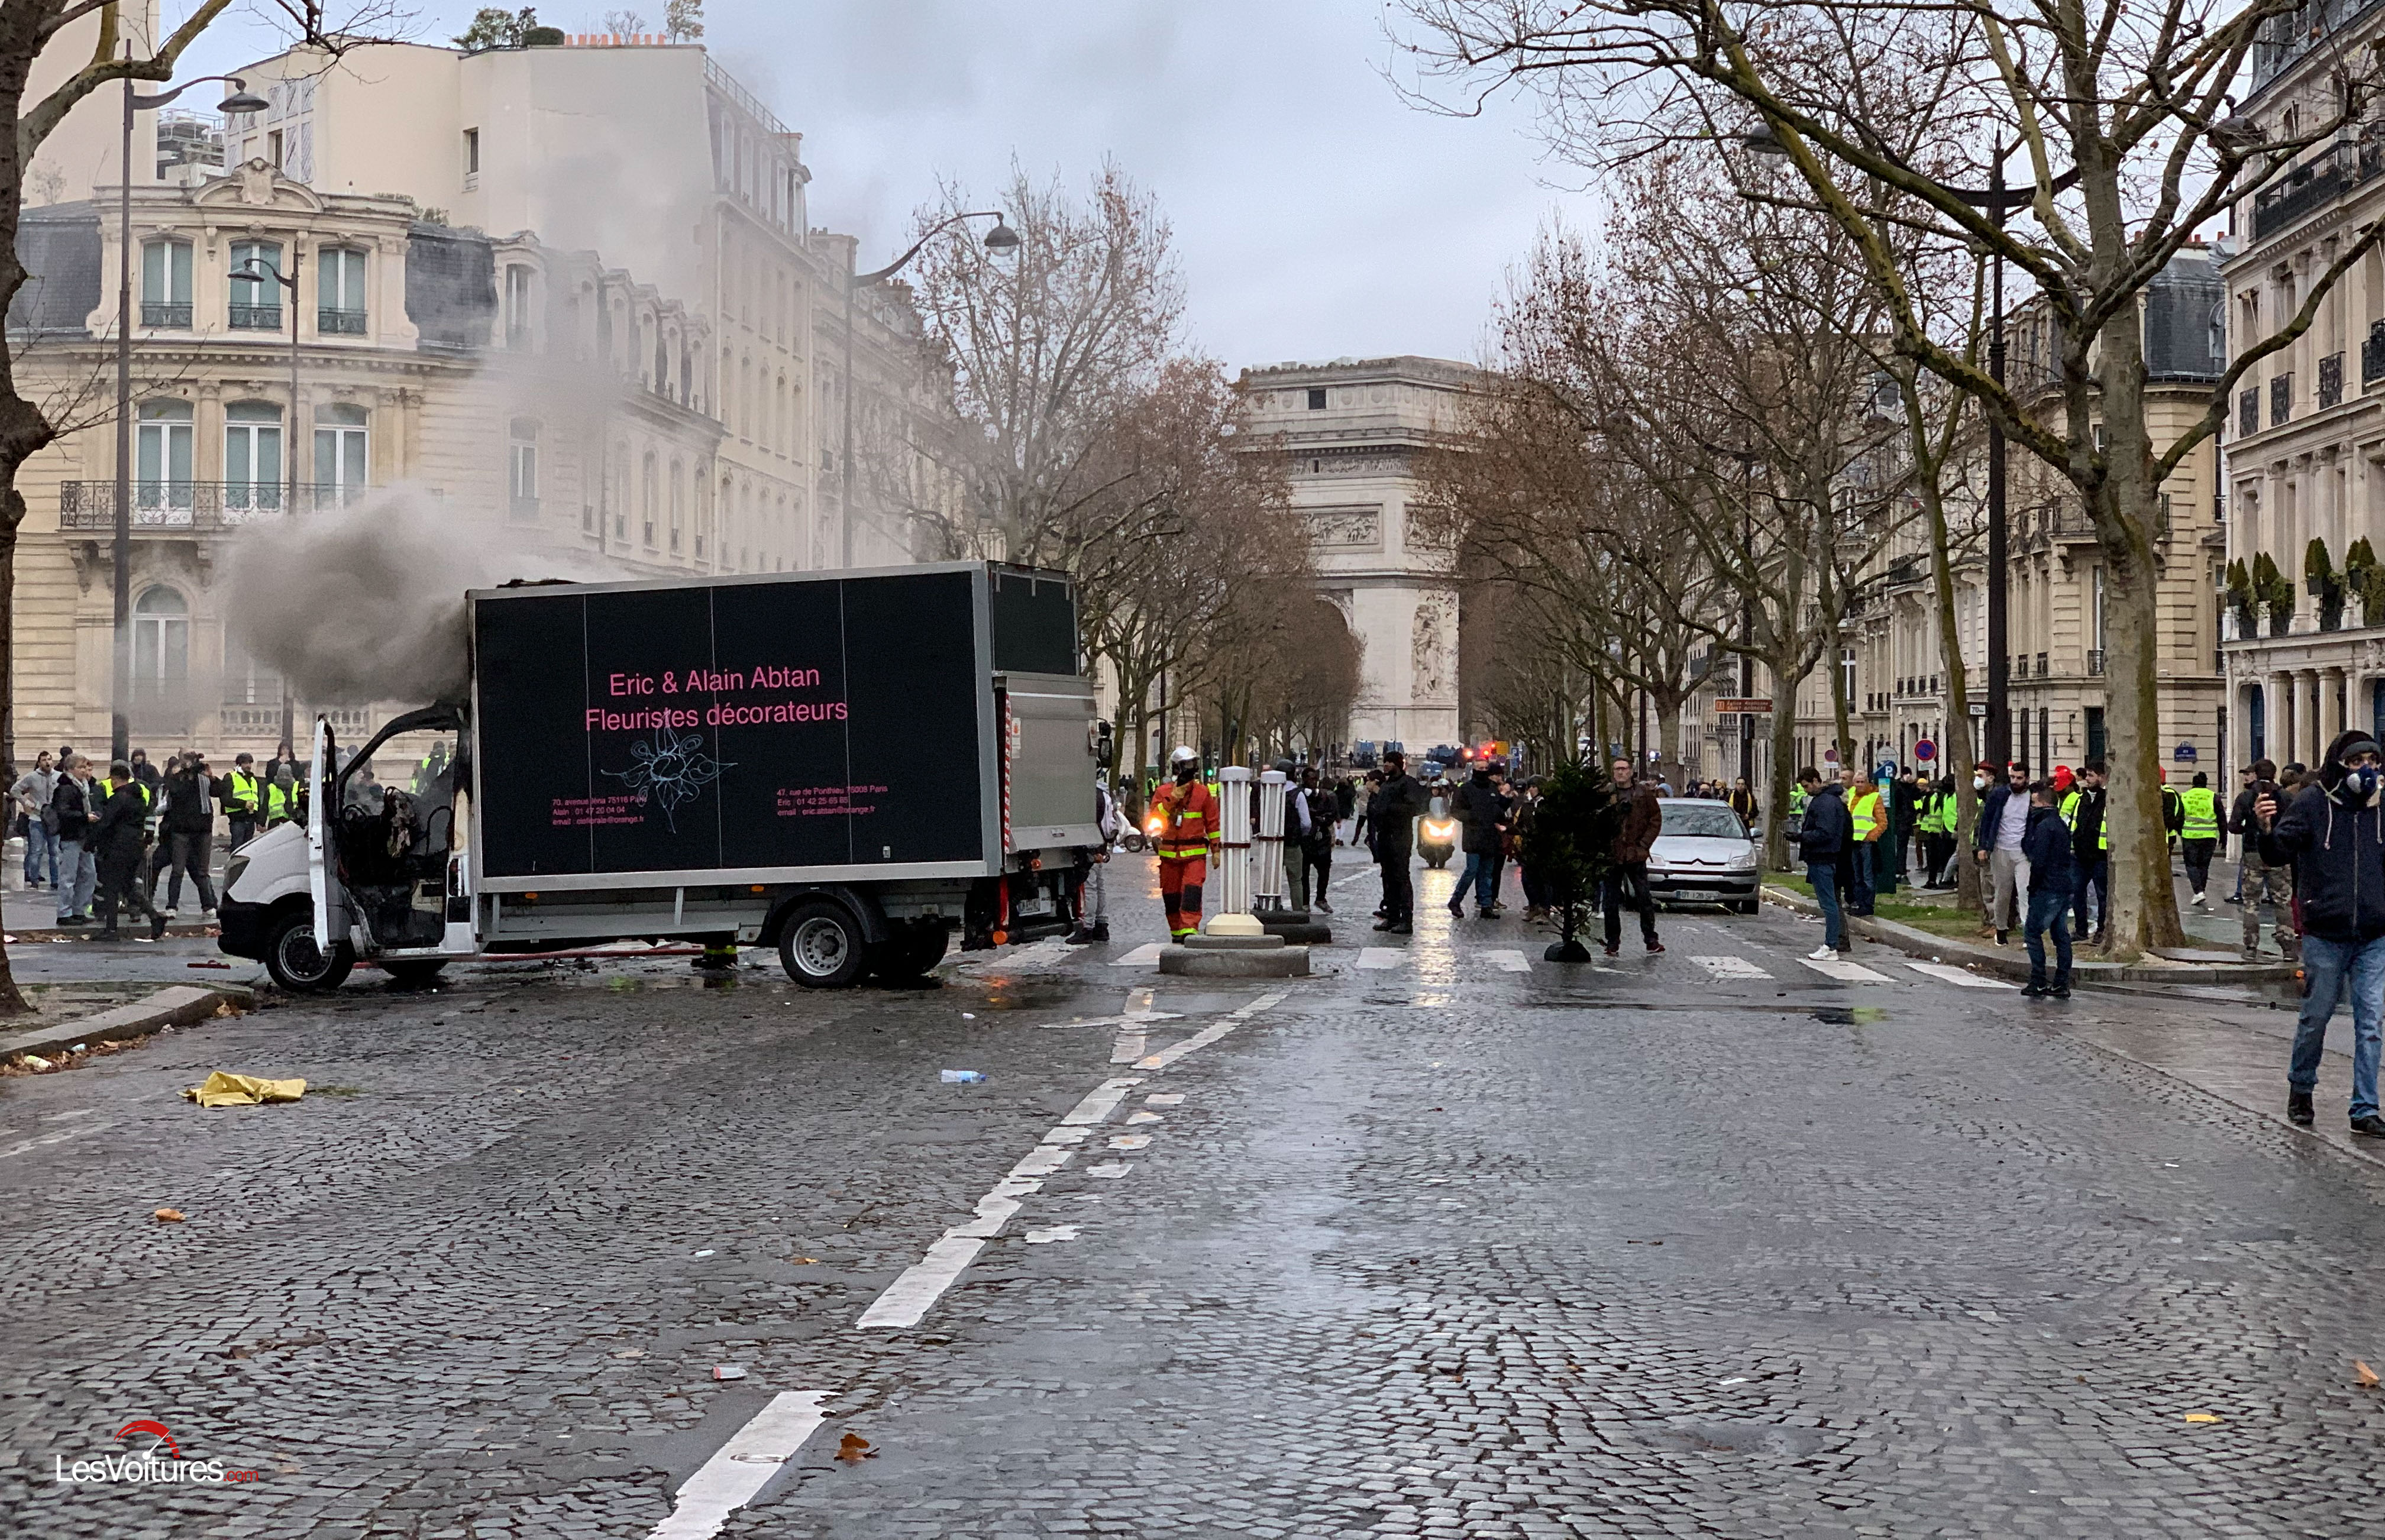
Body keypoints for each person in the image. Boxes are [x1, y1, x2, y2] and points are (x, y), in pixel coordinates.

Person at [2256, 730, 2385, 1137]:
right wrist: (2265, 828)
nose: (2366, 769)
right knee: (2316, 1017)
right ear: (2340, 765)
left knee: (2371, 1024)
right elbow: (2278, 852)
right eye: (2356, 761)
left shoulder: (2383, 807)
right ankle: (2301, 1089)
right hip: (2325, 932)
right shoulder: (2314, 803)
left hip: (2374, 934)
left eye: (2373, 760)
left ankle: (2364, 1107)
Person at [90, 761, 164, 941]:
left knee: (111, 887)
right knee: (128, 886)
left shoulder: (118, 798)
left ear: (115, 778)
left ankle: (111, 930)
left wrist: (91, 842)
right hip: (135, 847)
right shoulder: (138, 796)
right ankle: (155, 917)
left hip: (118, 847)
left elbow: (106, 823)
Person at [1153, 746, 1217, 942]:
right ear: (1177, 768)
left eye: (1193, 764)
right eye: (1188, 765)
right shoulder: (1163, 792)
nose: (1192, 769)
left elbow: (1213, 822)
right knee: (1171, 895)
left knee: (1191, 892)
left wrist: (1216, 849)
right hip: (1169, 856)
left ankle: (1189, 929)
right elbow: (1154, 820)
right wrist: (1173, 799)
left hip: (1195, 855)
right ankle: (1176, 931)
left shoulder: (1202, 793)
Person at [1602, 757, 1664, 956]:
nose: (1620, 773)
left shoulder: (1643, 794)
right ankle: (1612, 941)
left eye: (1624, 769)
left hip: (1636, 854)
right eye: (1617, 769)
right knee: (1610, 901)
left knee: (1644, 898)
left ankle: (1651, 939)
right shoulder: (1606, 794)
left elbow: (1655, 819)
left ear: (1631, 771)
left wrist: (1644, 844)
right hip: (1613, 855)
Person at [2019, 779, 2076, 998]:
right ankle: (2061, 982)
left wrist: (2033, 886)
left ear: (2040, 802)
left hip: (2047, 886)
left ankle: (2039, 980)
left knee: (2032, 931)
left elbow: (2039, 861)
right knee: (2060, 935)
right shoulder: (2060, 824)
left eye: (2033, 804)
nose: (2030, 808)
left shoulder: (2044, 827)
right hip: (2063, 885)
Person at [2236, 758, 2296, 962]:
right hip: (2280, 853)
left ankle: (2251, 947)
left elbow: (2233, 826)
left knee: (2251, 903)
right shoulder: (2286, 797)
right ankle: (2288, 949)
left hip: (2253, 853)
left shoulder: (2245, 797)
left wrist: (2250, 828)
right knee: (2283, 902)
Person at [1369, 750, 1430, 934]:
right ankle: (1393, 916)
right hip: (1385, 836)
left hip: (1400, 837)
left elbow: (1415, 807)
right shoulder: (1388, 785)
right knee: (1388, 878)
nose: (1385, 765)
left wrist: (1389, 809)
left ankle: (1407, 919)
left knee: (1401, 878)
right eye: (1384, 761)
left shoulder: (1407, 784)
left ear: (1397, 764)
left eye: (1389, 762)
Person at [1797, 767, 1852, 957]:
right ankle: (1834, 942)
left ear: (1815, 781)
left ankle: (1831, 945)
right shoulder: (1831, 800)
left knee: (1829, 903)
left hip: (1823, 857)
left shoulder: (1825, 802)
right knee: (1832, 902)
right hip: (1828, 857)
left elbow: (1825, 832)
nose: (1805, 790)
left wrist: (1801, 837)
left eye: (1806, 786)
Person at [1973, 759, 2030, 944]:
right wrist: (1984, 847)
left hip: (2023, 851)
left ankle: (2028, 932)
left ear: (2027, 779)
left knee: (2024, 891)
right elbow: (1987, 821)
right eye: (2012, 777)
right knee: (2002, 893)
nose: (2015, 781)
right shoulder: (1999, 795)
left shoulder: (2032, 796)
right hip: (2001, 849)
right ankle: (2001, 928)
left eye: (2019, 778)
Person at [156, 753, 218, 917]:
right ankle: (172, 906)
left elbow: (220, 791)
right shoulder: (178, 779)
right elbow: (176, 793)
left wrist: (212, 777)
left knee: (203, 871)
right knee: (178, 870)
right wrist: (181, 775)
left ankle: (208, 905)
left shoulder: (203, 779)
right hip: (181, 830)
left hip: (202, 830)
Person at [1449, 758, 1511, 919]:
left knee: (1487, 873)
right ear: (1474, 770)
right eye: (1480, 768)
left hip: (1490, 837)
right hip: (1473, 837)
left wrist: (1504, 801)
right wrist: (1473, 817)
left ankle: (1486, 905)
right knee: (1472, 870)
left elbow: (1498, 809)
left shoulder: (1492, 788)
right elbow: (1455, 810)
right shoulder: (1465, 789)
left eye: (1485, 768)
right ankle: (1456, 901)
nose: (1483, 771)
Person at [2062, 762, 2109, 946]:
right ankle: (2081, 930)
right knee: (2077, 892)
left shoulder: (2107, 799)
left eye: (2091, 775)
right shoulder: (2082, 799)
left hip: (2100, 856)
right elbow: (2075, 823)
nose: (2087, 779)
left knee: (2102, 895)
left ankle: (2101, 930)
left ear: (2102, 778)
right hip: (2080, 855)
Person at [50, 753, 97, 924]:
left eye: (85, 767)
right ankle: (64, 913)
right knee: (68, 876)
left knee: (89, 874)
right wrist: (85, 817)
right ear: (70, 770)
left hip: (84, 836)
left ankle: (79, 909)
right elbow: (62, 812)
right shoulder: (65, 788)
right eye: (81, 767)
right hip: (71, 836)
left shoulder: (84, 787)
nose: (84, 771)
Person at [12, 749, 57, 891]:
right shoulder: (32, 777)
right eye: (44, 760)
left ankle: (55, 881)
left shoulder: (59, 777)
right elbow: (15, 790)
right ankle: (34, 880)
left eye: (49, 759)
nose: (47, 762)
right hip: (37, 818)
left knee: (55, 851)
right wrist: (28, 803)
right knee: (36, 850)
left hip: (54, 819)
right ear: (39, 763)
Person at [1841, 766, 1880, 918]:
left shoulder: (1874, 797)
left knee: (1868, 876)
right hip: (1853, 841)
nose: (1859, 784)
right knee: (1857, 877)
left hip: (1867, 842)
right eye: (1857, 782)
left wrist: (1871, 836)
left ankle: (1868, 905)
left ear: (1867, 783)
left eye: (1862, 782)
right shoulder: (1850, 794)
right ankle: (1859, 903)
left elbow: (1882, 822)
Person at [2179, 770, 2221, 907]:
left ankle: (2198, 891)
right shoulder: (2213, 796)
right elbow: (2222, 818)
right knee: (2204, 865)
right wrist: (2224, 837)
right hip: (2209, 837)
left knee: (2191, 865)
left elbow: (2179, 816)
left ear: (2193, 784)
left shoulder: (2185, 796)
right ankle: (2201, 891)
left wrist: (2181, 831)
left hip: (2190, 836)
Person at [1300, 766, 1337, 914]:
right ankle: (1304, 902)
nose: (1314, 782)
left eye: (1316, 779)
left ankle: (1321, 898)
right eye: (1311, 779)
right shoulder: (1300, 794)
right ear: (1304, 779)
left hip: (1322, 839)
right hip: (1305, 840)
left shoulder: (1326, 796)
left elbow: (1331, 815)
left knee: (1324, 871)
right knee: (1304, 873)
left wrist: (1321, 821)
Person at [1919, 774, 1959, 887]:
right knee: (1944, 857)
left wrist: (1956, 828)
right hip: (1943, 830)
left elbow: (1957, 813)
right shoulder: (1945, 797)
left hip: (1952, 830)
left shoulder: (1954, 797)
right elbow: (1944, 813)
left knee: (1951, 858)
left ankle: (1949, 880)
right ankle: (1946, 880)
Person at [220, 751, 263, 851]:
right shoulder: (231, 777)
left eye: (250, 763)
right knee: (237, 848)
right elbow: (226, 799)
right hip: (237, 819)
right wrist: (244, 804)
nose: (249, 766)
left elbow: (257, 801)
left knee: (248, 850)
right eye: (246, 763)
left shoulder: (253, 780)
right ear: (240, 764)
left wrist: (260, 821)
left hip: (251, 819)